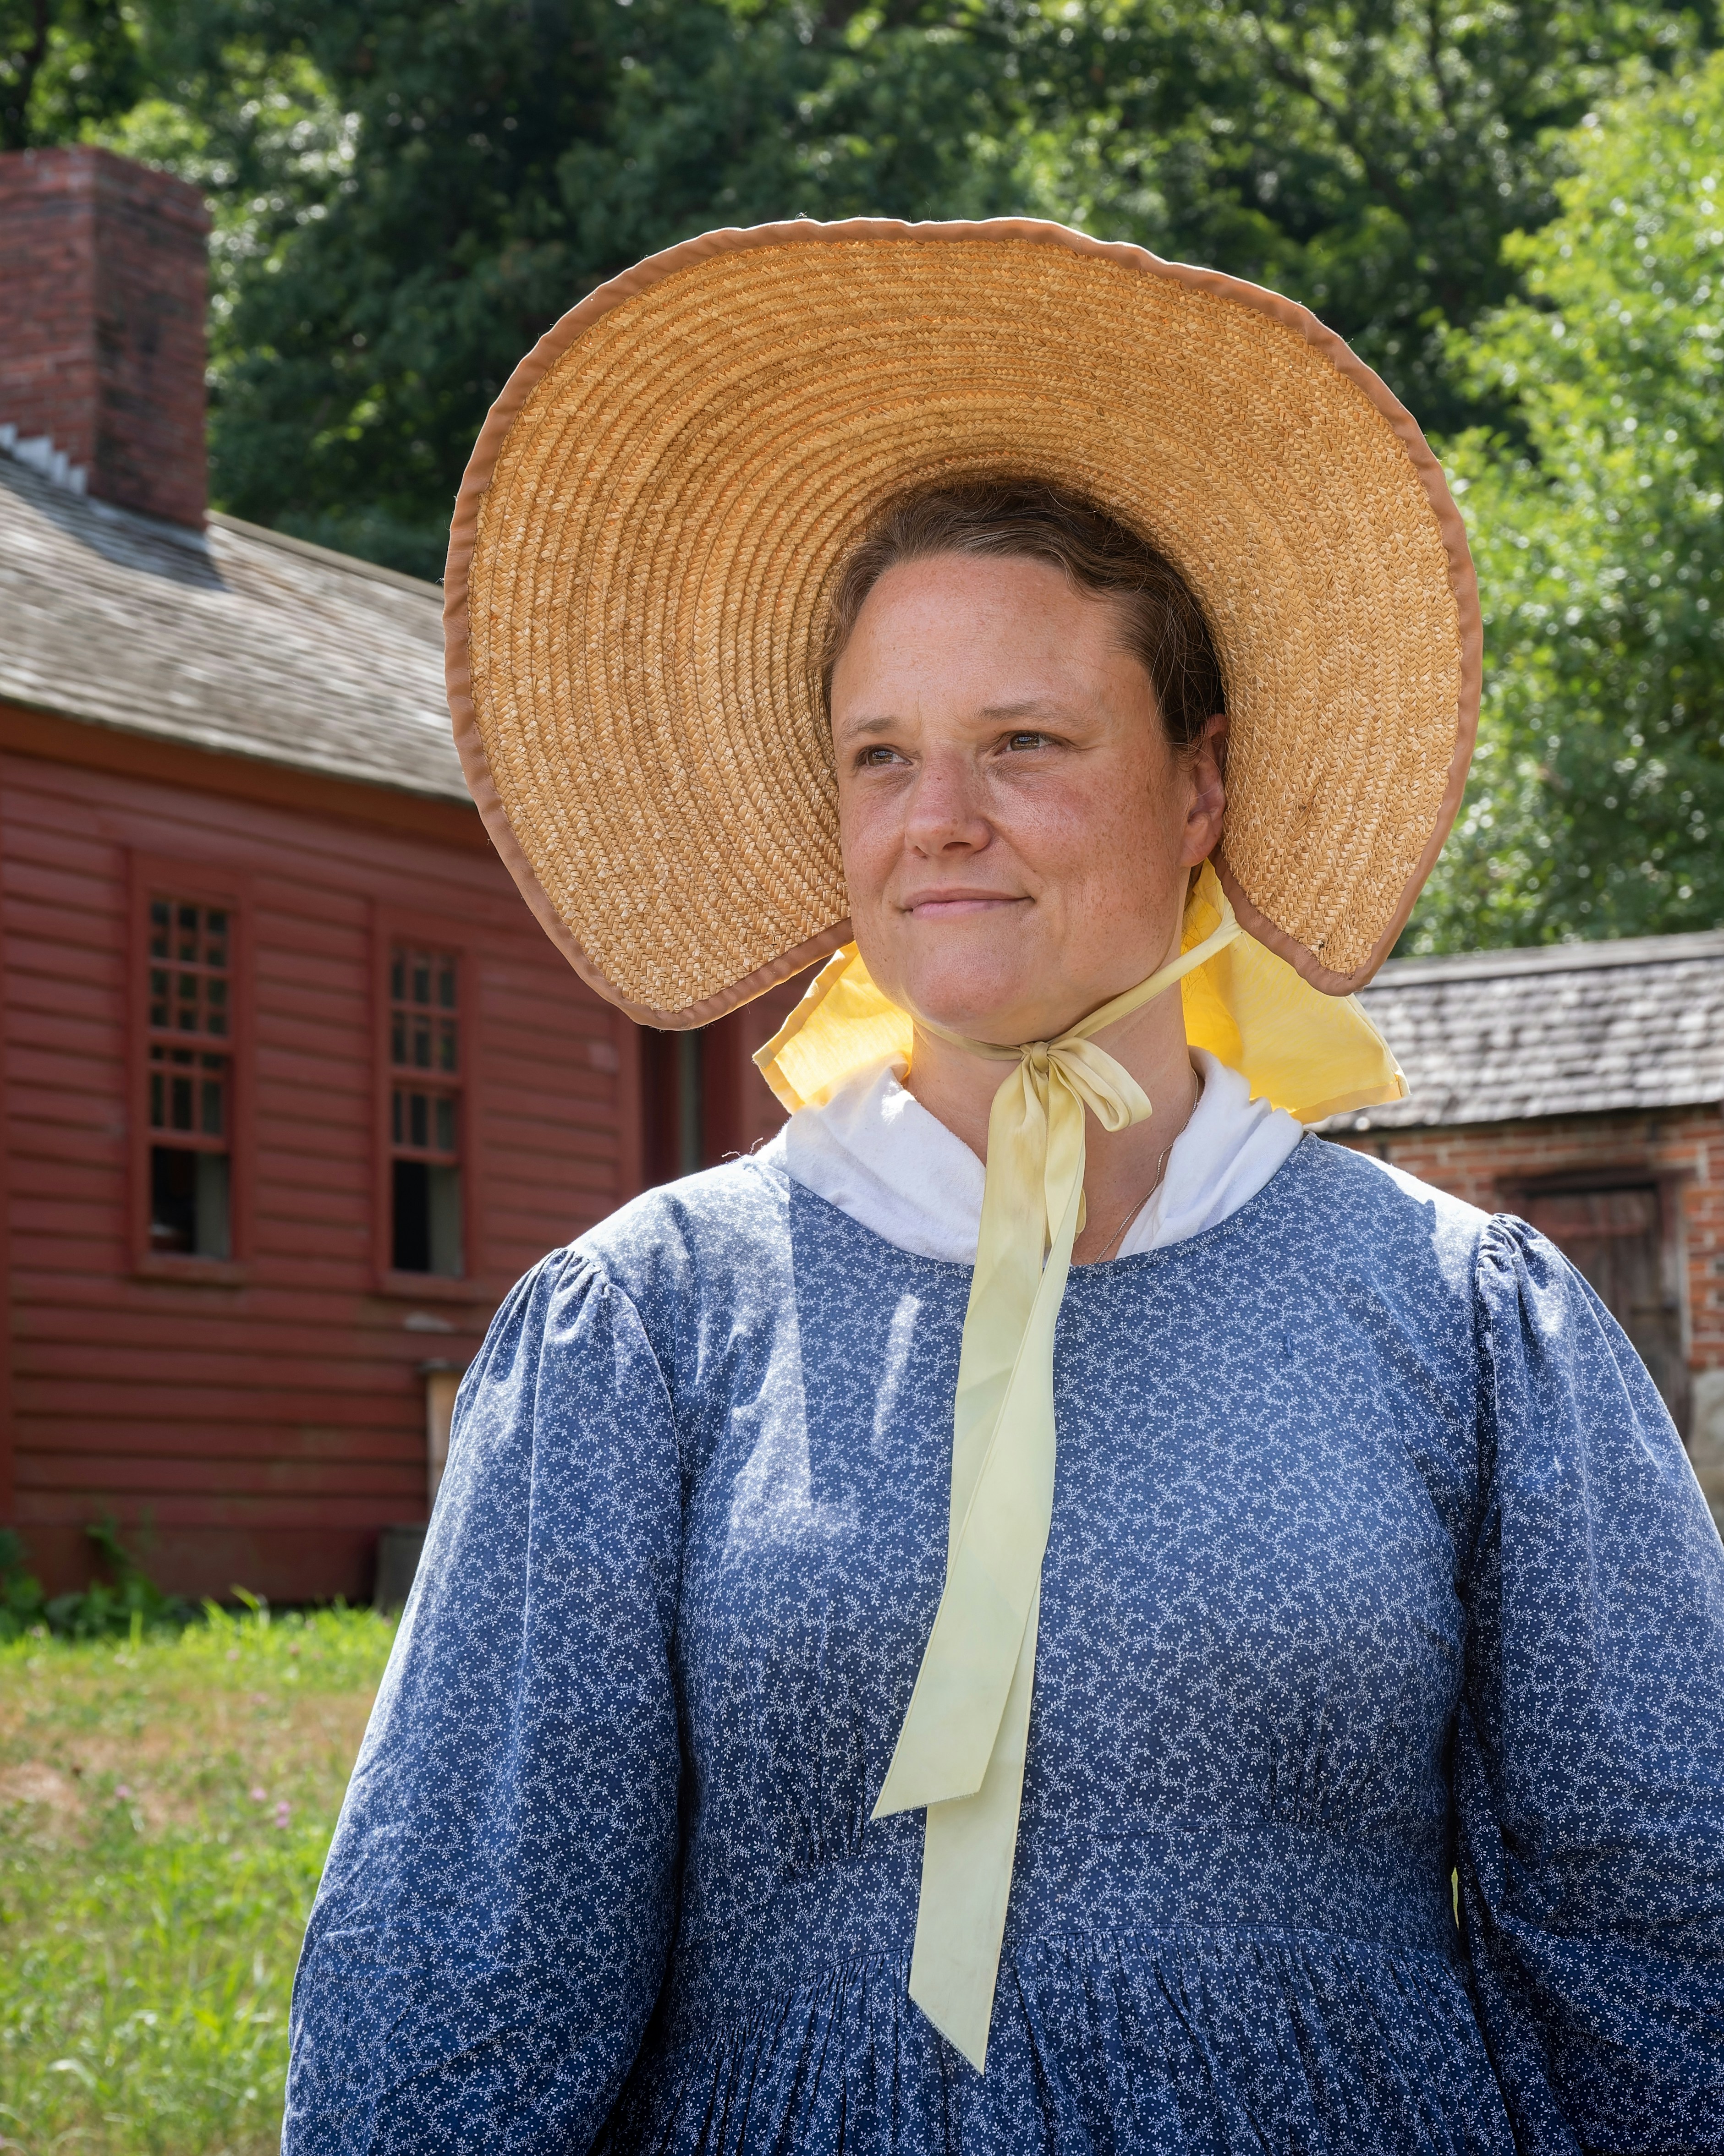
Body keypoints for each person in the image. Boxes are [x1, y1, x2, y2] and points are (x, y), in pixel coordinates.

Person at [284, 220, 1724, 2155]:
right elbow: (458, 1985)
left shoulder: (1462, 1322)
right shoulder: (655, 1327)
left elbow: (1658, 1946)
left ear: (1198, 783)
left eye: (1023, 745)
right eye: (880, 755)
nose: (935, 821)